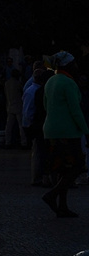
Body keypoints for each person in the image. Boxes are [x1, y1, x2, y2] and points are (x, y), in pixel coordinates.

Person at [41, 52, 88, 219]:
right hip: (67, 131)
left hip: (50, 130)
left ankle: (62, 206)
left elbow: (46, 106)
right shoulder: (68, 83)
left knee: (62, 169)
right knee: (77, 165)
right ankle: (52, 195)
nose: (76, 66)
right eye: (74, 63)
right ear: (67, 65)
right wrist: (86, 130)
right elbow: (76, 110)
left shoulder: (50, 81)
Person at [24, 63, 50, 184]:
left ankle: (39, 176)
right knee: (38, 151)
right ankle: (37, 177)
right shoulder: (33, 91)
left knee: (39, 151)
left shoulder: (34, 90)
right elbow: (28, 111)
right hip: (37, 124)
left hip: (37, 124)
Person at [3, 68, 25, 149]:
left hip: (9, 106)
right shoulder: (18, 83)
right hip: (18, 106)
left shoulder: (7, 83)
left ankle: (7, 142)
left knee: (8, 126)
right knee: (21, 126)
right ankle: (23, 142)